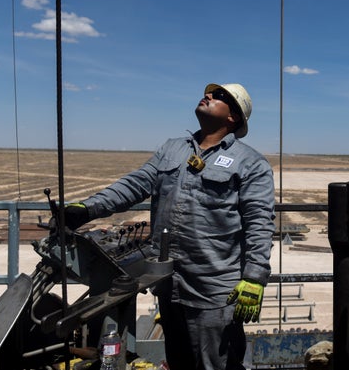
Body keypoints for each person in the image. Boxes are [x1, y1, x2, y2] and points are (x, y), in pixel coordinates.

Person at [64, 83, 276, 370]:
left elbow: (259, 223)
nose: (210, 95)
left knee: (218, 363)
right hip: (169, 282)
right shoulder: (172, 149)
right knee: (179, 362)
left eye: (221, 96)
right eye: (211, 92)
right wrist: (89, 208)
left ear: (233, 117)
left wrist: (254, 276)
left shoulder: (250, 163)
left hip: (214, 289)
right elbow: (135, 184)